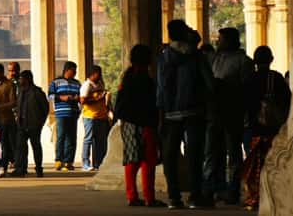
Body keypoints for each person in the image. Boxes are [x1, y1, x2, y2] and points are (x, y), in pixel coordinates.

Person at [157, 20, 215, 209]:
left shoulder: (165, 57)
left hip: (171, 112)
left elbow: (161, 87)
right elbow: (209, 83)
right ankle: (194, 195)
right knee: (195, 154)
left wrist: (161, 111)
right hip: (194, 111)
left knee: (170, 155)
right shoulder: (196, 56)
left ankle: (174, 197)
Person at [204, 27, 253, 205]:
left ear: (231, 41)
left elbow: (247, 90)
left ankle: (232, 190)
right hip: (215, 112)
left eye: (221, 39)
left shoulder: (243, 61)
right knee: (212, 153)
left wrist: (225, 87)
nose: (218, 42)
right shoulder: (215, 58)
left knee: (232, 154)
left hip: (233, 113)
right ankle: (213, 188)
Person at [114, 44, 165, 208]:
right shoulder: (145, 79)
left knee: (132, 160)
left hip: (129, 124)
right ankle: (149, 197)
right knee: (148, 161)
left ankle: (132, 196)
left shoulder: (127, 78)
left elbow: (119, 105)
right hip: (145, 124)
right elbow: (152, 103)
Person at [242, 46, 291, 211]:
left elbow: (243, 104)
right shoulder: (275, 78)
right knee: (273, 164)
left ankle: (254, 198)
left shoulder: (249, 78)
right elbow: (287, 102)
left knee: (253, 166)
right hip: (272, 129)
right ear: (271, 59)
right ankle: (274, 196)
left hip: (253, 129)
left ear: (254, 61)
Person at [10, 69, 49, 177]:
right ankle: (20, 169)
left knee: (36, 147)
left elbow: (45, 109)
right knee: (20, 147)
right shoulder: (21, 92)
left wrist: (40, 123)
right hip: (22, 125)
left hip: (34, 125)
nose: (20, 80)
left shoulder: (37, 92)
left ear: (27, 79)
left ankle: (38, 168)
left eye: (21, 78)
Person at [48, 60, 81, 171]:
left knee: (71, 138)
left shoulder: (77, 83)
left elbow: (81, 97)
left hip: (73, 113)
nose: (75, 73)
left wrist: (77, 98)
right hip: (61, 113)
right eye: (73, 71)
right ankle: (59, 160)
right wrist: (62, 98)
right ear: (67, 70)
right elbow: (50, 96)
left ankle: (68, 161)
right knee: (61, 136)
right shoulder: (56, 82)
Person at [80, 64, 112, 172]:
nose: (100, 76)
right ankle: (85, 163)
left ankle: (99, 163)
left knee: (100, 141)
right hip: (90, 116)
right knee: (88, 139)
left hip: (101, 116)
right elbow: (83, 101)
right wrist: (98, 98)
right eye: (99, 74)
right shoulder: (87, 85)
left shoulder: (100, 84)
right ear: (93, 74)